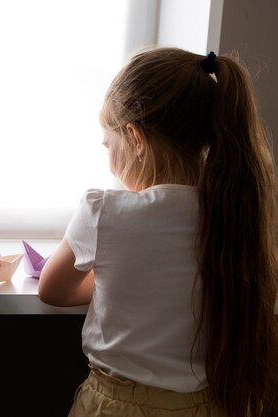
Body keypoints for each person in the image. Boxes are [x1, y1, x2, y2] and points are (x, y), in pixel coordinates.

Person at [38, 48, 278, 417]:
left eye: (109, 144)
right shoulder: (234, 216)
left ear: (135, 139)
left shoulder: (103, 212)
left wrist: (111, 276)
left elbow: (52, 288)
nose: (109, 158)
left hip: (116, 407)